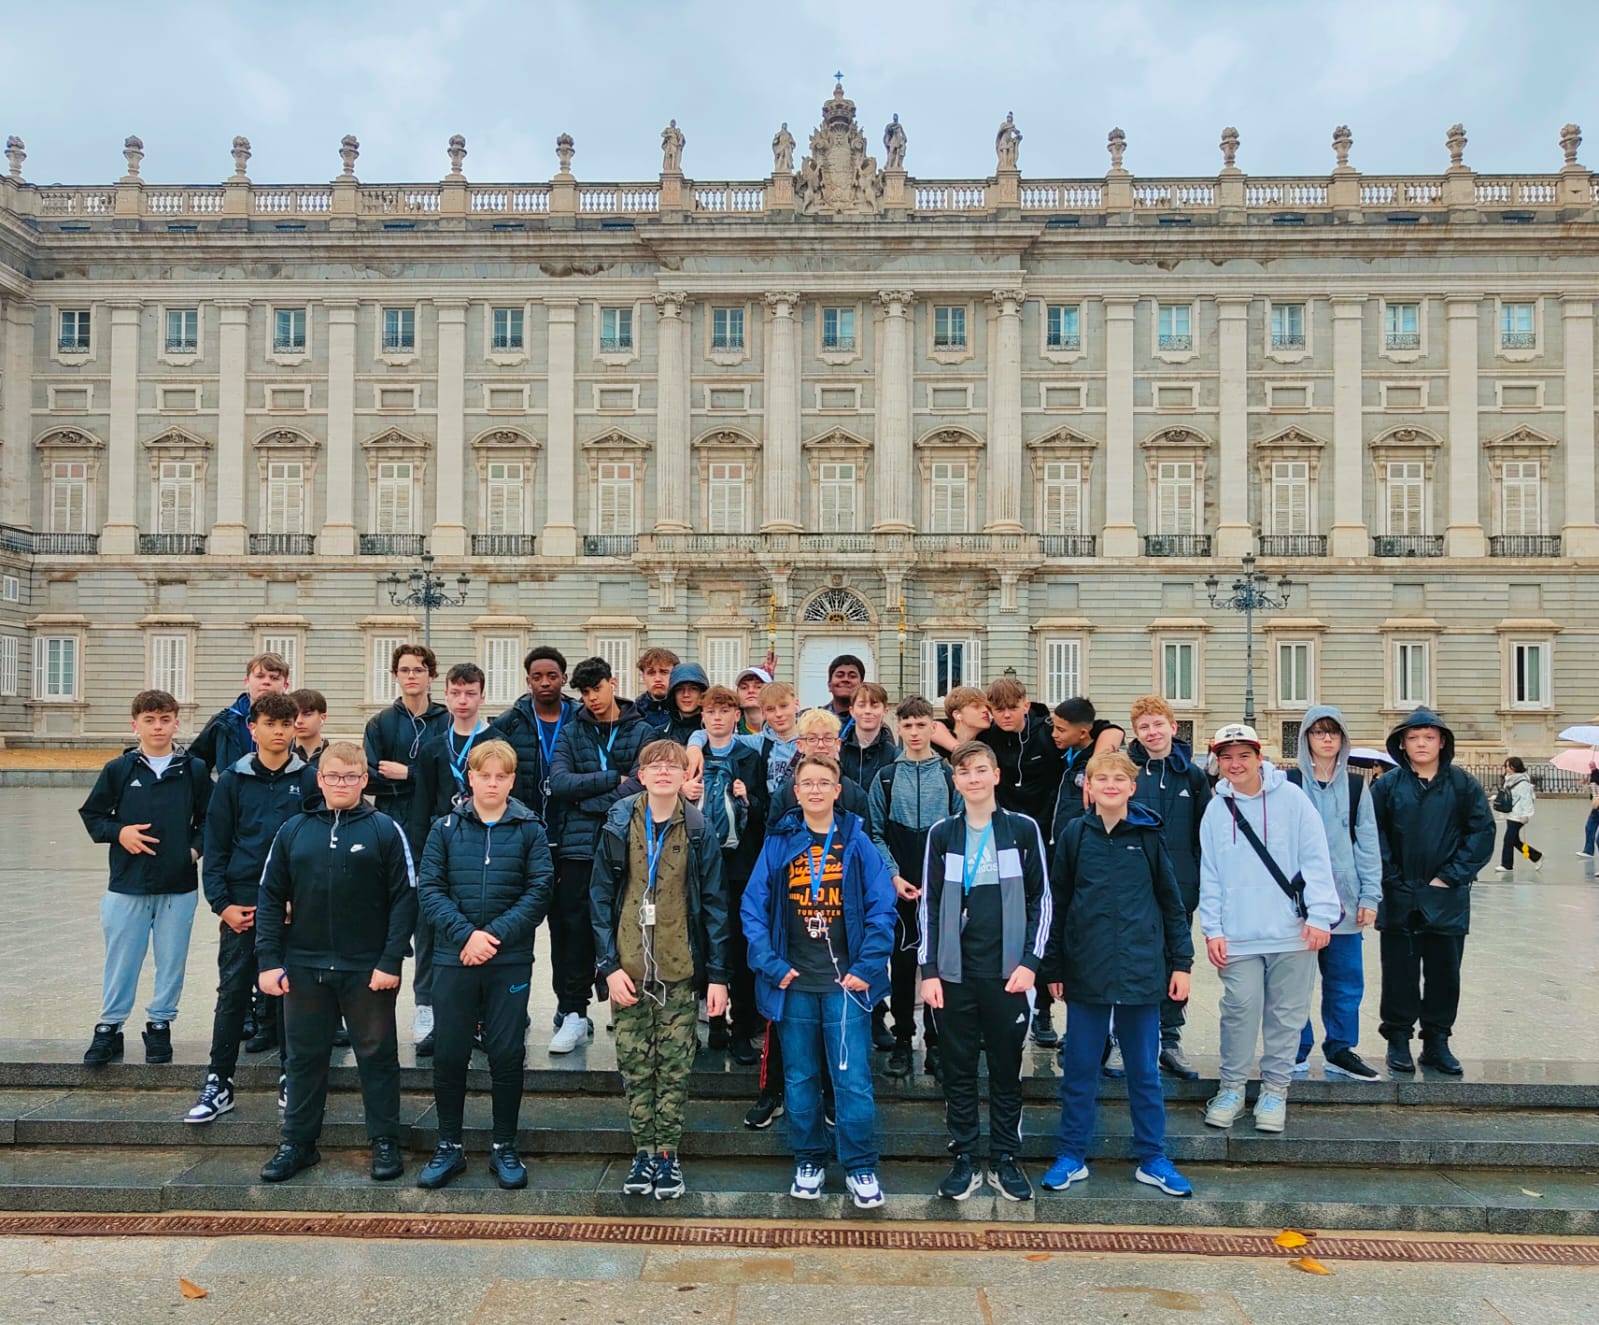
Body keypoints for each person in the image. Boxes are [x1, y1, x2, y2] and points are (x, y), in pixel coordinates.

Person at [254, 742, 417, 1184]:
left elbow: (405, 900)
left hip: (367, 969)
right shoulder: (293, 830)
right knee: (304, 1059)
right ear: (319, 779)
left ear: (364, 780)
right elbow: (269, 897)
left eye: (350, 777)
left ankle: (384, 1141)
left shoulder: (385, 829)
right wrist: (269, 961)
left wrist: (390, 960)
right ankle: (297, 1144)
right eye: (332, 776)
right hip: (304, 966)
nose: (341, 784)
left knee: (377, 1057)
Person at [742, 751, 895, 1210]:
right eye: (805, 783)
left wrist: (866, 968)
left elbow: (881, 908)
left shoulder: (856, 841)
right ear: (796, 791)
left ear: (836, 789)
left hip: (847, 984)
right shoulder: (780, 840)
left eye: (822, 783)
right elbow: (753, 908)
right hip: (793, 983)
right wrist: (770, 964)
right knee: (800, 1079)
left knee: (852, 1081)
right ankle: (808, 1160)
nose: (813, 790)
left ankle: (860, 1166)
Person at [1041, 751, 1193, 1199]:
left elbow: (1171, 903)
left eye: (1118, 779)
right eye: (1100, 778)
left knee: (1144, 1071)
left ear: (1132, 786)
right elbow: (1059, 902)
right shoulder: (1074, 834)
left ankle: (1153, 1157)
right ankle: (1071, 1155)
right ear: (1088, 787)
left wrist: (1181, 963)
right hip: (1087, 969)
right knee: (1080, 1069)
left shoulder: (1147, 835)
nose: (1110, 784)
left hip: (1141, 971)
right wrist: (1054, 966)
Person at [591, 740, 730, 1200]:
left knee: (673, 1067)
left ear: (684, 775)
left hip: (679, 965)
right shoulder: (617, 823)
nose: (665, 772)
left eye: (673, 766)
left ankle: (666, 1153)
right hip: (629, 969)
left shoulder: (697, 828)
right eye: (656, 766)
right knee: (634, 1064)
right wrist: (607, 966)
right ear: (642, 774)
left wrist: (718, 975)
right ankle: (642, 1151)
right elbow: (597, 900)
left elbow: (714, 904)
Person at [416, 740, 553, 1191]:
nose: (492, 783)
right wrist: (467, 935)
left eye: (501, 776)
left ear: (512, 781)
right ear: (470, 778)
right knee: (451, 1052)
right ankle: (449, 1146)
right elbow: (431, 889)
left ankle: (504, 1147)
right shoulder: (445, 829)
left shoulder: (530, 829)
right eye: (484, 775)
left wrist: (491, 937)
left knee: (507, 1053)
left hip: (508, 959)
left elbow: (539, 891)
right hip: (454, 958)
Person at [921, 740, 1048, 1202]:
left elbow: (1042, 900)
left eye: (981, 770)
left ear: (996, 775)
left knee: (1005, 1069)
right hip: (954, 976)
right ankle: (964, 1157)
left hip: (1008, 974)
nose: (973, 779)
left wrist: (1031, 963)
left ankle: (1006, 1159)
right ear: (955, 782)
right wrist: (929, 969)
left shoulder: (1021, 830)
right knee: (957, 1071)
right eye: (964, 773)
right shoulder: (943, 833)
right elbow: (930, 906)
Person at [1198, 724, 1340, 1136]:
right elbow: (1211, 873)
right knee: (1239, 1009)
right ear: (1218, 762)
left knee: (1287, 1015)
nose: (1235, 764)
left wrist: (1320, 915)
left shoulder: (1292, 800)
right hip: (1239, 933)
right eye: (1227, 757)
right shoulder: (1215, 809)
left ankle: (1276, 1090)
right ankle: (1231, 1088)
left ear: (1259, 757)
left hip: (1292, 931)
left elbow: (1316, 858)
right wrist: (1213, 928)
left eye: (1243, 755)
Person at [185, 693, 313, 1124]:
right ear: (253, 729)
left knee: (290, 995)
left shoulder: (309, 781)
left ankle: (290, 1076)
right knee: (234, 993)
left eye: (286, 723)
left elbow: (314, 849)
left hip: (293, 909)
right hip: (242, 905)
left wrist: (303, 902)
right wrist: (222, 905)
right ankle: (219, 1081)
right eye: (269, 723)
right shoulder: (232, 782)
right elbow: (216, 850)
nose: (278, 730)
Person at [78, 690, 212, 1066]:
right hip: (127, 883)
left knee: (171, 960)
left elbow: (210, 820)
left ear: (176, 722)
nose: (158, 727)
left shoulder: (194, 770)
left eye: (165, 719)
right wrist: (119, 833)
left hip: (178, 884)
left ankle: (159, 1025)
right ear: (135, 724)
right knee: (122, 958)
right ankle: (109, 1027)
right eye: (150, 720)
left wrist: (194, 850)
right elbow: (94, 816)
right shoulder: (119, 770)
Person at [1370, 708, 1495, 1077]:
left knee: (1444, 972)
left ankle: (1437, 1040)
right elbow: (1372, 834)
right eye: (1413, 738)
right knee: (1399, 972)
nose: (1421, 744)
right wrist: (1391, 876)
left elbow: (1481, 832)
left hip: (1446, 895)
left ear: (1442, 742)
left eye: (1428, 737)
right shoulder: (1388, 786)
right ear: (1402, 745)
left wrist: (1451, 876)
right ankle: (1398, 1037)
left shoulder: (1462, 785)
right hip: (1399, 893)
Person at [546, 656, 653, 1053]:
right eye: (585, 692)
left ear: (613, 682)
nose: (592, 698)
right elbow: (558, 784)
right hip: (578, 849)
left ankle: (633, 1013)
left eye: (597, 688)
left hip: (628, 846)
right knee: (574, 932)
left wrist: (589, 799)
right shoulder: (572, 732)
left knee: (631, 929)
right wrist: (612, 779)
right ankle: (573, 1013)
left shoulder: (642, 730)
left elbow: (642, 785)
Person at [1289, 707, 1384, 1081]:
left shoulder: (1359, 786)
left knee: (1345, 981)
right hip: (1299, 901)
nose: (1326, 739)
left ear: (1343, 740)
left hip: (1345, 900)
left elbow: (1368, 846)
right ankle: (1295, 1047)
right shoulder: (1291, 783)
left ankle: (1341, 1048)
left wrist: (1370, 897)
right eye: (1318, 733)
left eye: (1333, 733)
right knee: (1294, 980)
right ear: (1306, 739)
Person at [869, 696, 960, 1081]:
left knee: (940, 964)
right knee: (904, 964)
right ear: (899, 727)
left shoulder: (947, 773)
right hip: (902, 882)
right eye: (907, 726)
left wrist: (944, 877)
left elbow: (960, 828)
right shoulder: (886, 777)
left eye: (922, 725)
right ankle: (904, 1038)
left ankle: (936, 1042)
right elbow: (874, 832)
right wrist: (893, 875)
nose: (915, 733)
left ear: (932, 727)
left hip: (939, 883)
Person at [981, 677, 1066, 1047]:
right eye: (998, 709)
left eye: (1011, 708)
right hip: (1002, 837)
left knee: (1039, 921)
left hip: (1043, 837)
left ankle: (1042, 1011)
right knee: (998, 922)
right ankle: (994, 1009)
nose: (1005, 715)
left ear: (1025, 706)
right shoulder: (987, 739)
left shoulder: (1047, 733)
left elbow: (1101, 732)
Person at [1126, 696, 1207, 1080]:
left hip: (1180, 886)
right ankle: (1126, 1036)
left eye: (1158, 724)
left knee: (1177, 959)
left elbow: (1204, 835)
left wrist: (1198, 879)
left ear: (1174, 727)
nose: (1152, 732)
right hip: (1133, 889)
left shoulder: (1193, 776)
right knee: (1132, 958)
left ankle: (1170, 1037)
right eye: (1144, 727)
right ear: (1136, 733)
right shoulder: (1127, 772)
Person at [695, 685, 768, 1064]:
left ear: (736, 716)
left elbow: (764, 815)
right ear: (703, 717)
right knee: (705, 943)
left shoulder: (749, 756)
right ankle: (713, 1024)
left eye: (726, 711)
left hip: (740, 864)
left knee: (739, 947)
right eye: (712, 711)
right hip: (700, 865)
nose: (718, 717)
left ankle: (740, 1027)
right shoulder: (694, 756)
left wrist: (748, 798)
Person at [490, 646, 575, 832]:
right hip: (524, 823)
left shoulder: (580, 718)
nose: (545, 682)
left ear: (564, 679)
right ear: (528, 681)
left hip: (571, 827)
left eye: (552, 676)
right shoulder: (509, 722)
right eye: (537, 677)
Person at [190, 651, 292, 775]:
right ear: (247, 682)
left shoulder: (297, 722)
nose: (266, 682)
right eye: (260, 676)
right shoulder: (223, 723)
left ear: (285, 685)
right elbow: (195, 766)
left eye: (274, 678)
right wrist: (217, 791)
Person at [840, 681, 898, 788]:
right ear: (852, 711)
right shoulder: (839, 751)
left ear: (885, 711)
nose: (867, 711)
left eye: (874, 706)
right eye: (861, 705)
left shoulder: (893, 755)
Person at [1496, 756, 1543, 873]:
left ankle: (1507, 865)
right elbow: (1508, 795)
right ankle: (1536, 856)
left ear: (1515, 767)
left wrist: (1526, 815)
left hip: (1518, 815)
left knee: (1508, 839)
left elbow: (1526, 799)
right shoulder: (1510, 779)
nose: (1506, 769)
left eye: (1508, 766)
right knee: (1514, 840)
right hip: (1511, 813)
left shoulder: (1523, 782)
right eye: (1505, 766)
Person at [634, 647, 681, 733]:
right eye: (651, 673)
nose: (658, 679)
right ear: (643, 677)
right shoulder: (634, 713)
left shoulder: (683, 711)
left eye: (664, 672)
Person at [664, 662, 709, 745]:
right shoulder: (661, 734)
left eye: (693, 689)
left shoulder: (714, 733)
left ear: (702, 693)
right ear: (673, 695)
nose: (686, 694)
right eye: (680, 689)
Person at [289, 689, 329, 767]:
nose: (299, 721)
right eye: (294, 715)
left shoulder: (335, 756)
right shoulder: (281, 755)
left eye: (307, 714)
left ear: (322, 717)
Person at [823, 654, 865, 722]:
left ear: (862, 685)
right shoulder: (814, 719)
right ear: (829, 685)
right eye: (839, 675)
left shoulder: (871, 722)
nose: (845, 679)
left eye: (852, 676)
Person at [735, 666, 772, 735]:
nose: (750, 691)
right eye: (744, 687)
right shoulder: (730, 735)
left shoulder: (783, 733)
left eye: (758, 687)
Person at [1581, 766, 1599, 859]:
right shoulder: (1593, 775)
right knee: (1589, 827)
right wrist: (1585, 784)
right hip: (1595, 808)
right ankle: (1588, 850)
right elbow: (1591, 791)